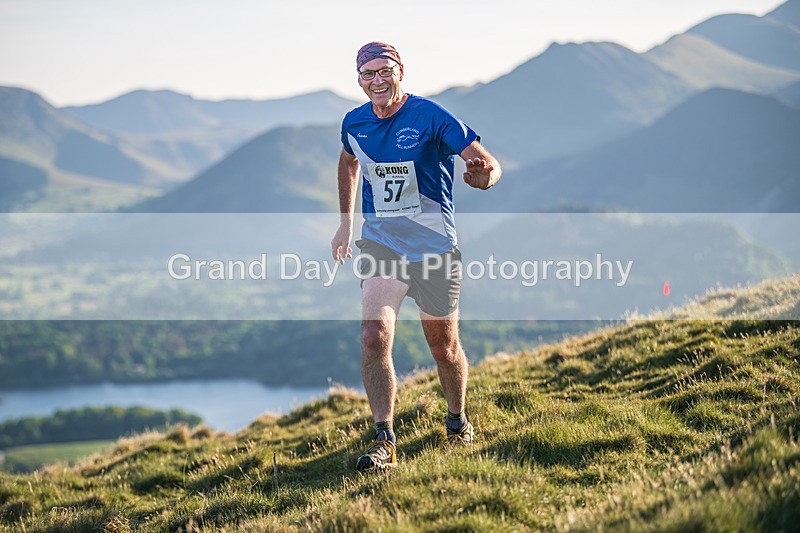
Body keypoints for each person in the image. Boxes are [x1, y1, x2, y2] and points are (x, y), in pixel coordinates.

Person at [331, 41, 501, 471]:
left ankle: (458, 422)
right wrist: (345, 223)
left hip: (434, 249)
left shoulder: (430, 116)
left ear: (400, 71)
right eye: (367, 74)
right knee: (374, 336)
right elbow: (348, 162)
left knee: (443, 348)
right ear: (358, 79)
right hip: (382, 244)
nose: (376, 81)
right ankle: (384, 438)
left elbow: (486, 164)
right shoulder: (354, 122)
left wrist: (482, 177)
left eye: (384, 71)